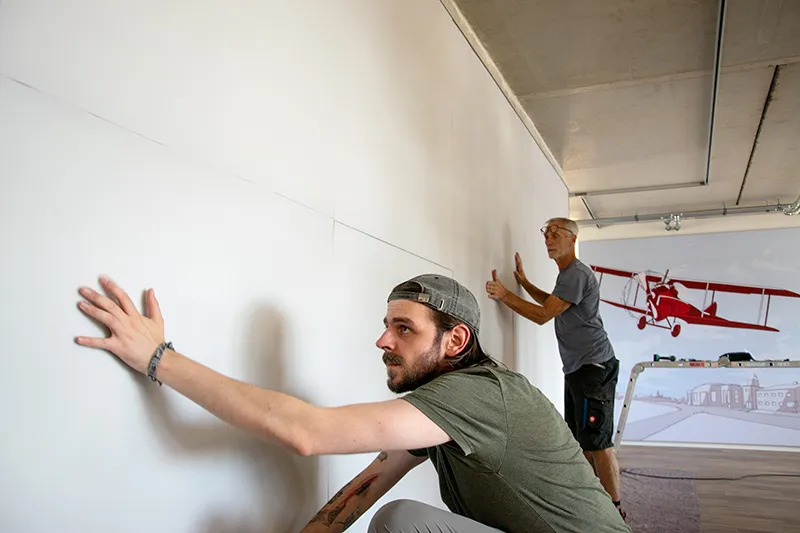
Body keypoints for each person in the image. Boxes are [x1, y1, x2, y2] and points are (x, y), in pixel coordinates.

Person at [75, 273, 630, 533]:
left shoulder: (479, 396)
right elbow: (365, 485)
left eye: (403, 328)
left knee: (403, 524)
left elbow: (306, 433)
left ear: (454, 342)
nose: (383, 341)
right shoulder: (442, 407)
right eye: (386, 325)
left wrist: (157, 358)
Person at [485, 217, 625, 520]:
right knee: (583, 441)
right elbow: (553, 303)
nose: (549, 240)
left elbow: (542, 315)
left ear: (572, 239)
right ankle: (593, 504)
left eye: (556, 234)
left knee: (599, 444)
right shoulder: (567, 276)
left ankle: (614, 513)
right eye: (546, 234)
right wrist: (523, 284)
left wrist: (505, 294)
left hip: (593, 367)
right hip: (579, 368)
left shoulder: (575, 274)